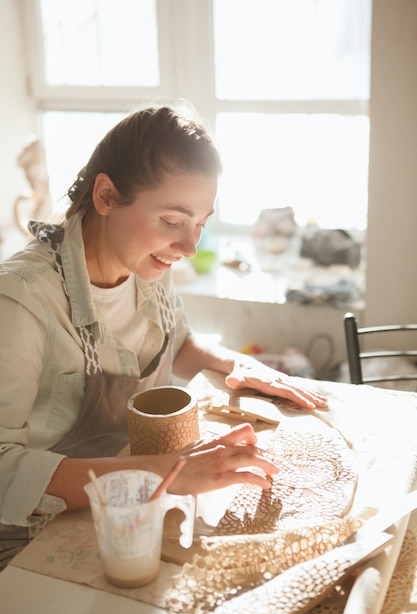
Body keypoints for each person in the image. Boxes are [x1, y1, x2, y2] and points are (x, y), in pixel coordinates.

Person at [0, 101, 327, 532]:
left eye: (200, 224)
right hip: (40, 529)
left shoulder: (147, 263)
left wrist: (237, 365)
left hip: (137, 500)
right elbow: (5, 473)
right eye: (172, 221)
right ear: (106, 196)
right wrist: (165, 473)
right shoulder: (20, 300)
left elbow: (178, 347)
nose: (189, 247)